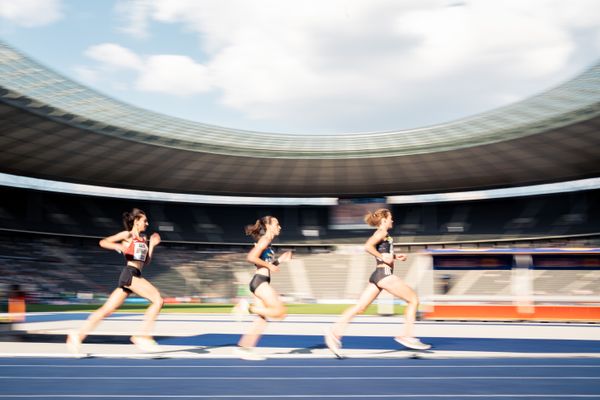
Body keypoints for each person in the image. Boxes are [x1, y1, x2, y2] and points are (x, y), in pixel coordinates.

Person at [325, 208, 430, 357]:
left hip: (378, 275)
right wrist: (382, 256)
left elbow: (384, 252)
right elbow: (368, 246)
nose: (393, 220)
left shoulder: (383, 234)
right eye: (391, 218)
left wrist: (394, 256)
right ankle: (407, 335)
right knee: (413, 299)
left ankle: (334, 333)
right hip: (384, 274)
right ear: (384, 220)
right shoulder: (382, 232)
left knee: (360, 307)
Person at [67, 208, 164, 354]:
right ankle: (143, 336)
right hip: (131, 275)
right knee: (158, 300)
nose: (147, 223)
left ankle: (77, 336)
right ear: (136, 221)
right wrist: (118, 246)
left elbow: (146, 261)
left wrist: (152, 245)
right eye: (144, 220)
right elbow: (103, 242)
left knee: (107, 310)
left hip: (134, 275)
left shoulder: (143, 239)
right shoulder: (127, 235)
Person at [232, 216, 292, 360]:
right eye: (277, 224)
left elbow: (263, 264)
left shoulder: (268, 243)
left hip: (260, 281)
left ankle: (244, 349)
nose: (280, 226)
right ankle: (246, 307)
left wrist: (279, 261)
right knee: (280, 312)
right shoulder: (264, 240)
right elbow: (251, 257)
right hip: (260, 282)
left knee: (262, 319)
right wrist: (271, 265)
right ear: (268, 225)